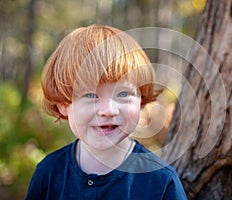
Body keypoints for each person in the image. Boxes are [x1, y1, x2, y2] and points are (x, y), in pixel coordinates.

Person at [25, 24, 187, 200]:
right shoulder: (48, 174)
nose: (108, 110)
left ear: (141, 98)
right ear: (63, 104)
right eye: (91, 95)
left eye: (123, 94)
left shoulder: (160, 181)